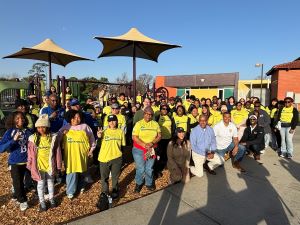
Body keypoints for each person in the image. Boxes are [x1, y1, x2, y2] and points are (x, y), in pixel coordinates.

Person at [27, 114, 62, 211]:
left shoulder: (53, 137)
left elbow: (57, 152)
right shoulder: (32, 138)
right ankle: (42, 201)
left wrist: (59, 164)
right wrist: (29, 165)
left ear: (47, 127)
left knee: (51, 182)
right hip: (38, 166)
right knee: (40, 184)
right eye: (38, 127)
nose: (41, 129)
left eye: (43, 127)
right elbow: (30, 154)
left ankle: (51, 199)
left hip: (50, 164)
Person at [58, 110, 96, 199]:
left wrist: (91, 150)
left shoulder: (85, 127)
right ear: (70, 118)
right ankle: (70, 191)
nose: (76, 119)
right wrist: (62, 135)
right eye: (74, 117)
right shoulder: (66, 127)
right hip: (70, 155)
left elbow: (91, 139)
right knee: (71, 172)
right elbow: (57, 140)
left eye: (78, 117)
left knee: (82, 171)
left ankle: (81, 186)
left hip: (82, 154)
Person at [0, 112, 32, 211]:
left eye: (22, 118)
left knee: (28, 183)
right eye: (17, 118)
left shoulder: (28, 131)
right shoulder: (10, 132)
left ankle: (18, 194)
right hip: (15, 162)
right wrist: (13, 140)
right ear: (13, 120)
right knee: (17, 183)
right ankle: (22, 200)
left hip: (28, 161)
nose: (20, 120)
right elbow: (1, 148)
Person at [132, 106, 161, 193]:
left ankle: (149, 183)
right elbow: (134, 137)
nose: (148, 116)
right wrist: (144, 144)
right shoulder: (138, 124)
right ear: (144, 114)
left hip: (151, 149)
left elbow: (159, 136)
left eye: (150, 115)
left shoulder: (155, 124)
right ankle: (139, 183)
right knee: (140, 168)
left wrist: (152, 143)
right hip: (139, 149)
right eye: (147, 114)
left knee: (149, 168)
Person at [97, 115, 125, 199]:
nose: (112, 123)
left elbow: (122, 145)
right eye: (110, 121)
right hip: (104, 158)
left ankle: (114, 190)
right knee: (104, 177)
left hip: (117, 158)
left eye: (113, 121)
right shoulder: (104, 131)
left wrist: (121, 156)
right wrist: (99, 137)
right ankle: (104, 192)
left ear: (116, 121)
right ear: (108, 122)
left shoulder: (120, 132)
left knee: (115, 176)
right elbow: (98, 145)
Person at [154, 104, 173, 177]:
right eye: (163, 108)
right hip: (160, 139)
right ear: (160, 109)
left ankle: (161, 167)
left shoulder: (169, 117)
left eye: (166, 109)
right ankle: (156, 170)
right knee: (158, 155)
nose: (164, 110)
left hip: (168, 139)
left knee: (165, 155)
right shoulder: (158, 117)